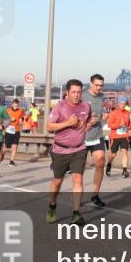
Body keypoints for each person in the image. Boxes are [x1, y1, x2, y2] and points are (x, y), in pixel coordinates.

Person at [45, 79, 97, 225]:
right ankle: (52, 206)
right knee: (57, 182)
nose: (76, 95)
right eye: (73, 92)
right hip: (60, 150)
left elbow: (86, 124)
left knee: (78, 179)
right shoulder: (59, 107)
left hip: (79, 149)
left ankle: (76, 214)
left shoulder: (86, 106)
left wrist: (90, 124)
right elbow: (49, 127)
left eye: (79, 92)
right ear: (67, 92)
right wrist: (67, 123)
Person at [82, 74, 109, 206]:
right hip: (82, 136)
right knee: (80, 168)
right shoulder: (82, 96)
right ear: (91, 84)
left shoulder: (102, 97)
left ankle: (95, 195)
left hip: (97, 135)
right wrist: (87, 121)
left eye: (101, 85)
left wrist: (104, 118)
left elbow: (100, 115)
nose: (99, 88)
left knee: (100, 163)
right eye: (97, 85)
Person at [106, 99, 131, 178]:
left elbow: (129, 124)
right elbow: (109, 125)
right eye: (121, 103)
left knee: (125, 152)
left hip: (124, 136)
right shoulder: (113, 113)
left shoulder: (128, 113)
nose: (122, 105)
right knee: (113, 154)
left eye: (124, 104)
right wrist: (119, 126)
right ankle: (109, 163)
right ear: (118, 104)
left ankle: (124, 170)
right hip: (115, 136)